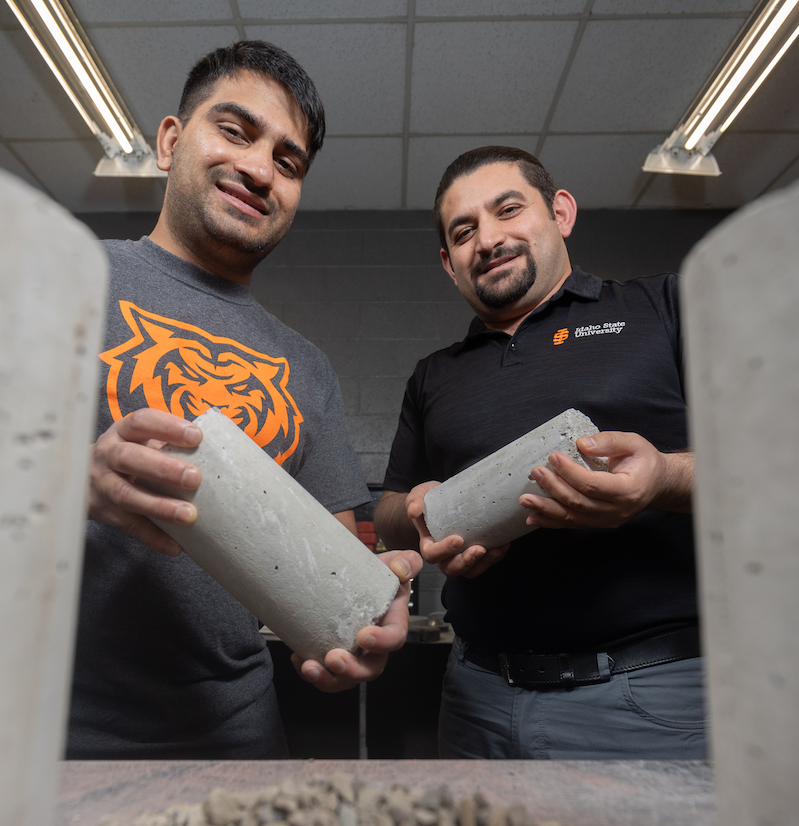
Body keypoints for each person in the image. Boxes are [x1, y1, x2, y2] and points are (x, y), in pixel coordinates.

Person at [70, 41, 420, 759]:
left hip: (239, 739)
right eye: (235, 131)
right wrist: (67, 481)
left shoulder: (306, 365)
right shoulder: (63, 276)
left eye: (288, 162)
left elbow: (344, 551)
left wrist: (370, 604)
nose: (260, 169)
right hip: (51, 737)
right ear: (171, 141)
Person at [374, 146, 703, 760]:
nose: (489, 239)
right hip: (476, 696)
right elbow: (392, 511)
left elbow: (777, 470)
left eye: (508, 210)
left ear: (561, 213)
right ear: (449, 263)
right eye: (464, 231)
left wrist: (662, 478)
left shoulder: (662, 308)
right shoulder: (433, 376)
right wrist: (419, 512)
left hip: (651, 696)